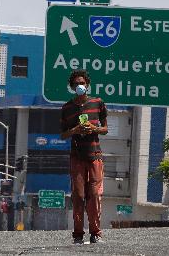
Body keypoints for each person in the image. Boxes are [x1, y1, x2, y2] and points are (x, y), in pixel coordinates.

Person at [60, 69, 108, 245]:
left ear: (87, 84)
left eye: (82, 83)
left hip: (95, 156)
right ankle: (78, 235)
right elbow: (63, 134)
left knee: (94, 195)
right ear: (72, 87)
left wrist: (93, 129)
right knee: (78, 196)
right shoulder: (67, 108)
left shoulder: (98, 103)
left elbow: (105, 128)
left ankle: (96, 233)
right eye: (76, 84)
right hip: (77, 157)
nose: (80, 86)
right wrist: (75, 130)